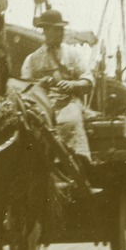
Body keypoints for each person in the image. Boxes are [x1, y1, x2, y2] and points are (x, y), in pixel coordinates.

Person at [19, 9, 96, 160]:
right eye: (56, 30)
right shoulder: (32, 59)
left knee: (70, 122)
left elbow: (88, 80)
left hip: (68, 102)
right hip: (40, 105)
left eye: (61, 29)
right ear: (45, 31)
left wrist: (72, 84)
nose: (60, 33)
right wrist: (40, 85)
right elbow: (24, 86)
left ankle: (75, 161)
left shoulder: (73, 54)